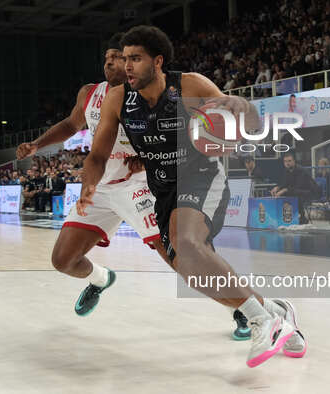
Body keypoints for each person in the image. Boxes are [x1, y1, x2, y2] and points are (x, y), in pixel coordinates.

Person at [76, 25, 306, 367]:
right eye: (124, 59)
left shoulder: (189, 85)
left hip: (202, 176)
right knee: (193, 270)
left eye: (135, 59)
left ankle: (262, 321)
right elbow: (97, 156)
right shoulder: (119, 98)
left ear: (158, 62)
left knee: (186, 244)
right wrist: (89, 184)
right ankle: (276, 310)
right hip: (164, 190)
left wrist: (243, 106)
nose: (127, 66)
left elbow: (244, 120)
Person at [16, 33, 253, 342]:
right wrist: (36, 145)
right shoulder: (91, 94)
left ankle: (242, 308)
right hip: (101, 188)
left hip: (138, 187)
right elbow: (70, 125)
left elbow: (172, 135)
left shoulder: (153, 93)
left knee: (185, 259)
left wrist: (146, 158)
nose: (114, 63)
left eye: (122, 57)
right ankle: (101, 279)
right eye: (110, 58)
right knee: (63, 260)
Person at [270, 152, 319, 224]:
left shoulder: (301, 171)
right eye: (285, 161)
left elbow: (298, 187)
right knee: (283, 195)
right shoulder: (287, 171)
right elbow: (285, 184)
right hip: (296, 191)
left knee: (295, 196)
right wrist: (277, 188)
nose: (287, 163)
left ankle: (302, 218)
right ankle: (284, 217)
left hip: (308, 192)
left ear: (294, 161)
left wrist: (284, 190)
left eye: (289, 161)